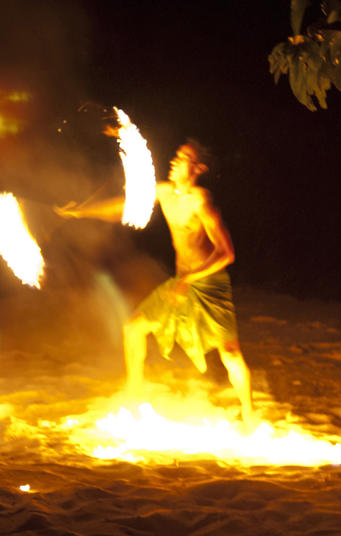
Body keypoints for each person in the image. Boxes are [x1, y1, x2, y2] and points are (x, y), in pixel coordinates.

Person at [57, 139, 253, 425]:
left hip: (209, 283)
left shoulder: (201, 201)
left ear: (198, 168)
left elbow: (227, 253)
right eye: (175, 156)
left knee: (230, 353)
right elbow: (124, 207)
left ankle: (249, 413)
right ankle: (133, 396)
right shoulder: (164, 192)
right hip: (181, 281)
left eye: (183, 158)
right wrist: (81, 212)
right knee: (133, 328)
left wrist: (190, 279)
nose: (174, 161)